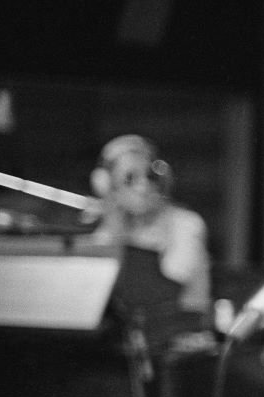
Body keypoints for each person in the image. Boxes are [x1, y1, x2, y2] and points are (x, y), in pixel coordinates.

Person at [88, 133, 211, 319]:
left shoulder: (186, 223)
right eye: (130, 178)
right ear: (107, 185)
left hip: (178, 328)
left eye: (150, 176)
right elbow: (92, 281)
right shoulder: (113, 225)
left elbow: (171, 283)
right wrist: (112, 215)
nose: (143, 186)